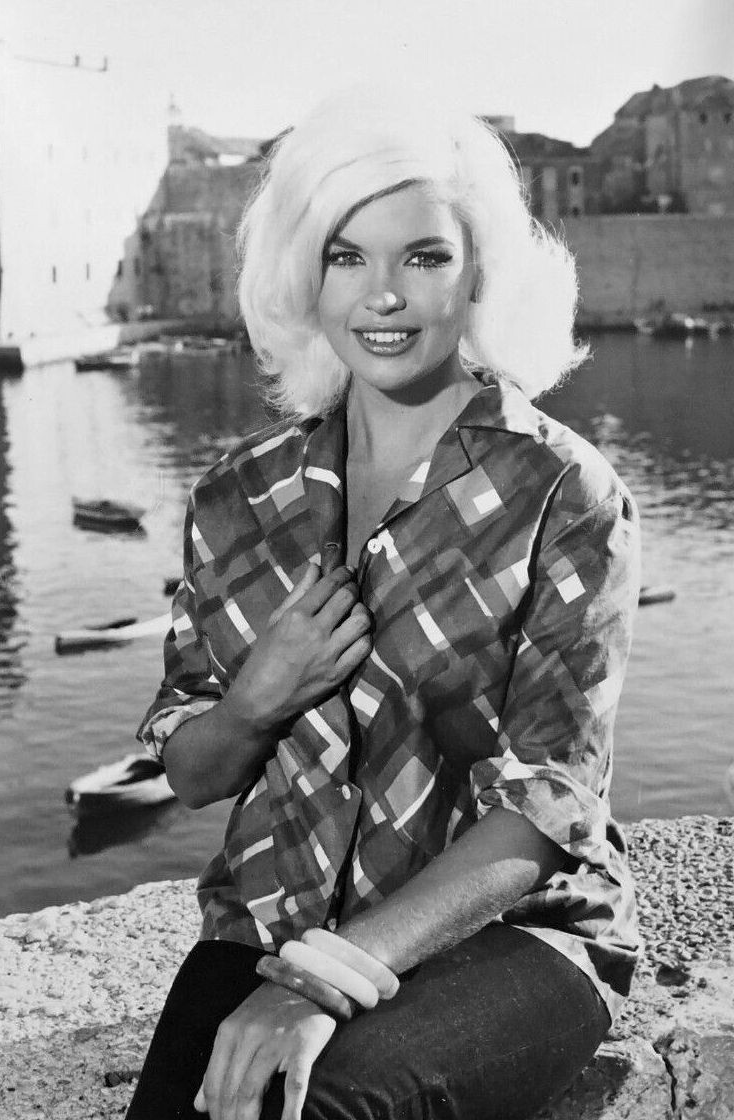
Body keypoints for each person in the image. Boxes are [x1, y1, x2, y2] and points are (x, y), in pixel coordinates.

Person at [126, 87, 641, 1120]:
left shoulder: (564, 493)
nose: (384, 296)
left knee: (326, 1103)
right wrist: (256, 698)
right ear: (303, 274)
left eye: (425, 256)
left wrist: (321, 980)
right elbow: (192, 770)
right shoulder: (238, 497)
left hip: (512, 936)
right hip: (270, 919)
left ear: (480, 272)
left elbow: (548, 807)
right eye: (346, 256)